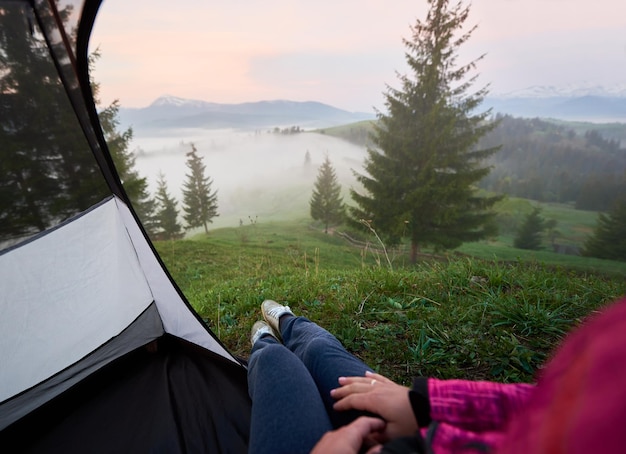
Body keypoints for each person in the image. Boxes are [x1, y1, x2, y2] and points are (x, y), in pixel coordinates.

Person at [247, 297, 626, 453]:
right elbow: (548, 408)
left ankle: (266, 345)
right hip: (426, 439)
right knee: (319, 352)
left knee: (279, 366)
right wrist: (423, 405)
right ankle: (290, 321)